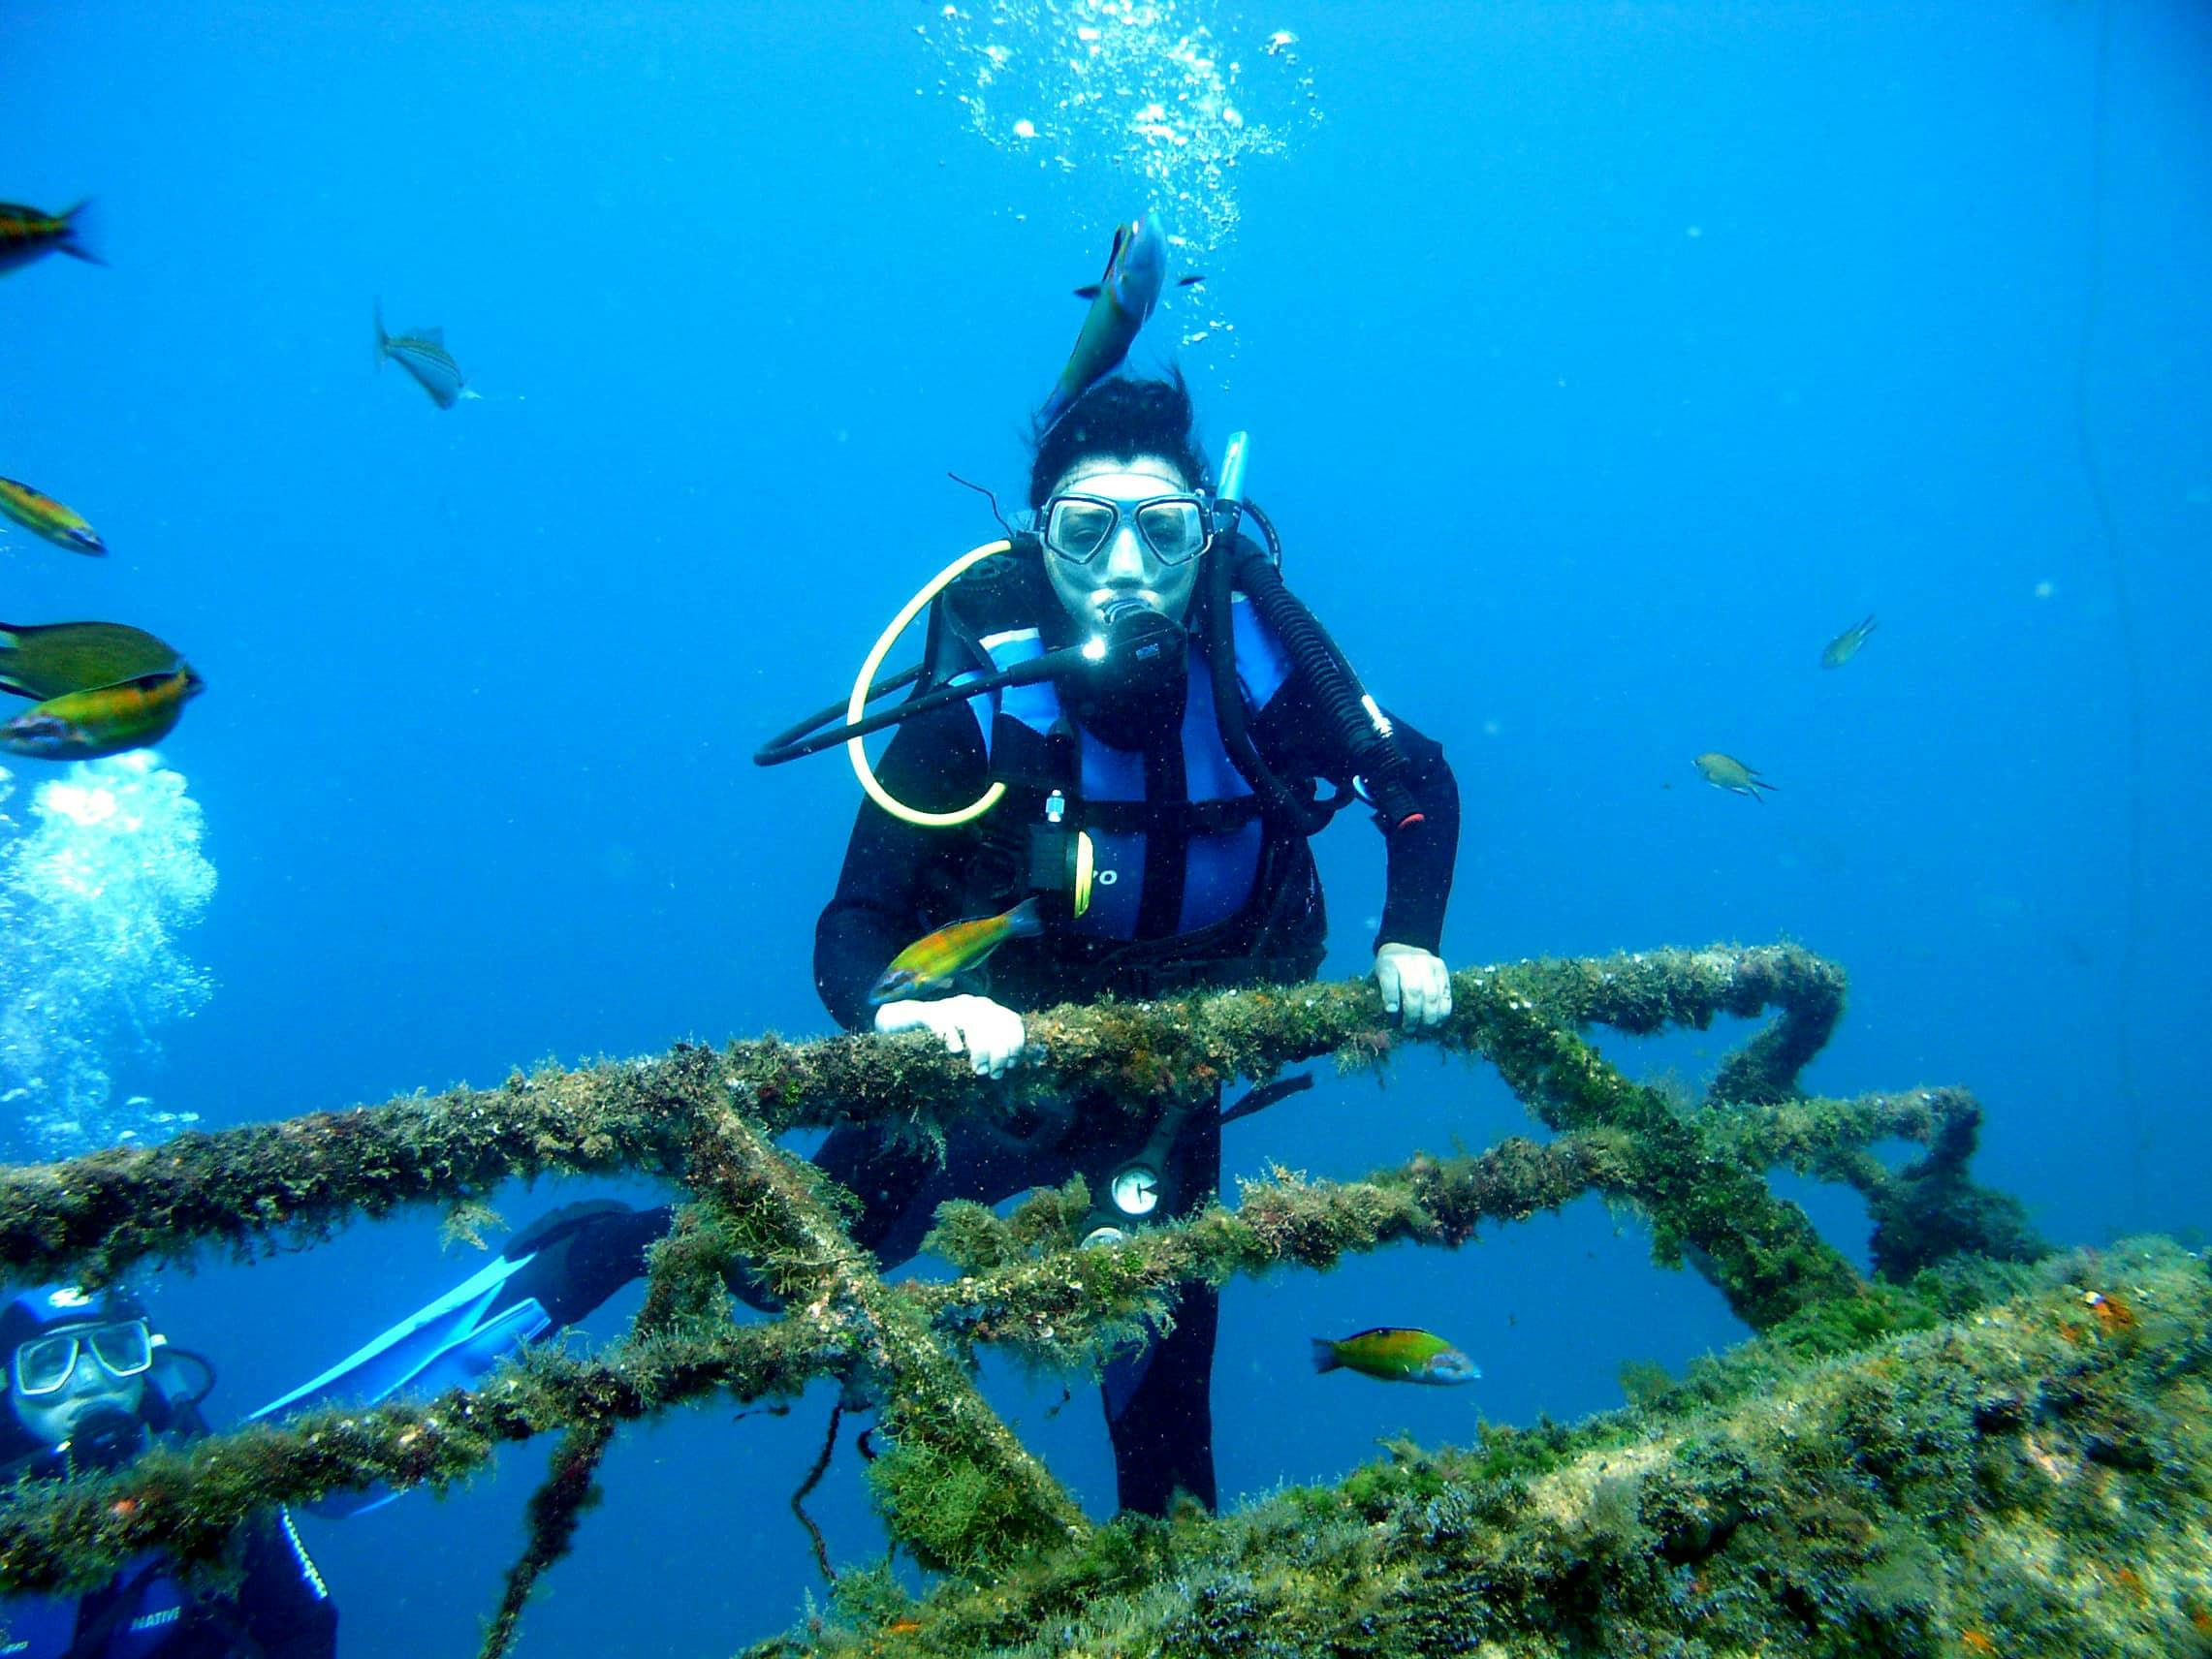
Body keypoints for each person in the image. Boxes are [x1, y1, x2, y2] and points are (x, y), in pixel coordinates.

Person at [806, 371, 1460, 1514]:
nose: (1123, 567)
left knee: (1166, 1426)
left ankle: (1165, 1599)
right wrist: (896, 1010)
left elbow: (1416, 775)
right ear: (1037, 541)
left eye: (1162, 531)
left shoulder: (1262, 655)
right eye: (1083, 528)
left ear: (1206, 538)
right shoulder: (982, 687)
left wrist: (1409, 936)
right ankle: (591, 1249)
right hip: (982, 1064)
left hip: (1162, 1082)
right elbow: (854, 923)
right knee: (785, 1276)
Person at [0, 1284, 337, 1659]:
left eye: (114, 1351)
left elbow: (303, 1628)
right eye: (48, 1363)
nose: (91, 1380)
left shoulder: (211, 1479)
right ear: (8, 1383)